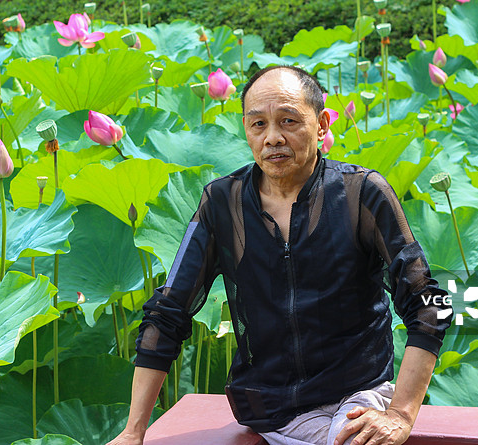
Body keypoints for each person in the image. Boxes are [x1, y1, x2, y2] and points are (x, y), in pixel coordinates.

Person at [108, 65, 452, 445]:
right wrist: (132, 432)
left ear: (321, 125)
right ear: (246, 130)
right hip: (272, 414)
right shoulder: (223, 204)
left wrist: (401, 413)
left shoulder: (361, 194)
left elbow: (428, 303)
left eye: (288, 121)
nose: (272, 138)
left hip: (358, 397)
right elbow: (167, 314)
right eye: (258, 125)